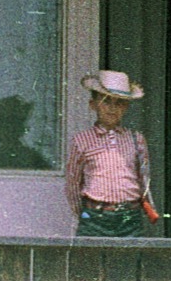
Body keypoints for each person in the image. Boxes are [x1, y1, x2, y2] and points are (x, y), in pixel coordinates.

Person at [64, 70, 154, 237]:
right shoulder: (82, 140)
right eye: (106, 101)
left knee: (129, 260)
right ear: (93, 104)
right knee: (91, 260)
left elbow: (144, 178)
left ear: (126, 107)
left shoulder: (136, 139)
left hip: (128, 214)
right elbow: (73, 183)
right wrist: (85, 212)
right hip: (95, 215)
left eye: (119, 103)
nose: (113, 108)